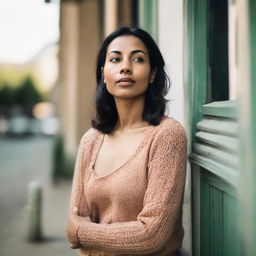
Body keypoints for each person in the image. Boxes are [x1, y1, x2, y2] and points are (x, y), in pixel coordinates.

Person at [66, 27, 187, 256]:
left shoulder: (167, 136)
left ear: (152, 74)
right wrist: (80, 230)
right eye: (115, 59)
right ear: (103, 73)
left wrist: (82, 232)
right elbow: (76, 215)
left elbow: (151, 235)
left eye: (138, 59)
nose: (125, 67)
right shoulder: (90, 140)